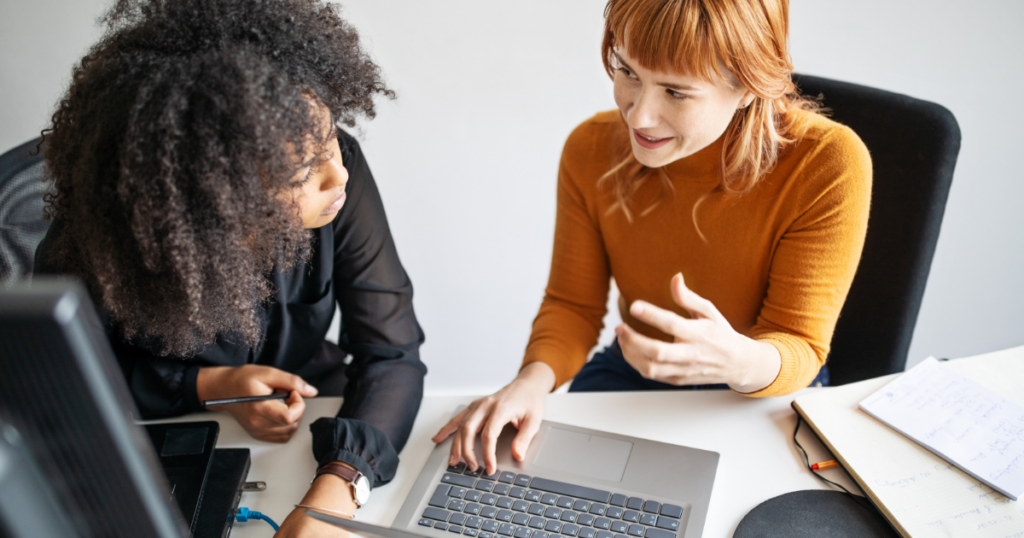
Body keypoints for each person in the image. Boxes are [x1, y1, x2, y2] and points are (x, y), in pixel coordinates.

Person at [33, 0, 424, 535]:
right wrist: (208, 385)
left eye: (331, 136)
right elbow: (65, 386)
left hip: (309, 414)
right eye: (304, 168)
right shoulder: (108, 232)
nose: (340, 176)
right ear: (217, 190)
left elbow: (392, 351)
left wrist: (334, 494)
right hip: (165, 438)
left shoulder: (338, 173)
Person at [434, 0, 871, 476]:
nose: (638, 116)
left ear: (747, 87)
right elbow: (573, 305)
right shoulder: (590, 148)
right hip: (636, 371)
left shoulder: (828, 162)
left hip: (764, 383)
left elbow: (799, 344)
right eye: (628, 72)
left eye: (677, 93)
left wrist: (734, 362)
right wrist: (531, 381)